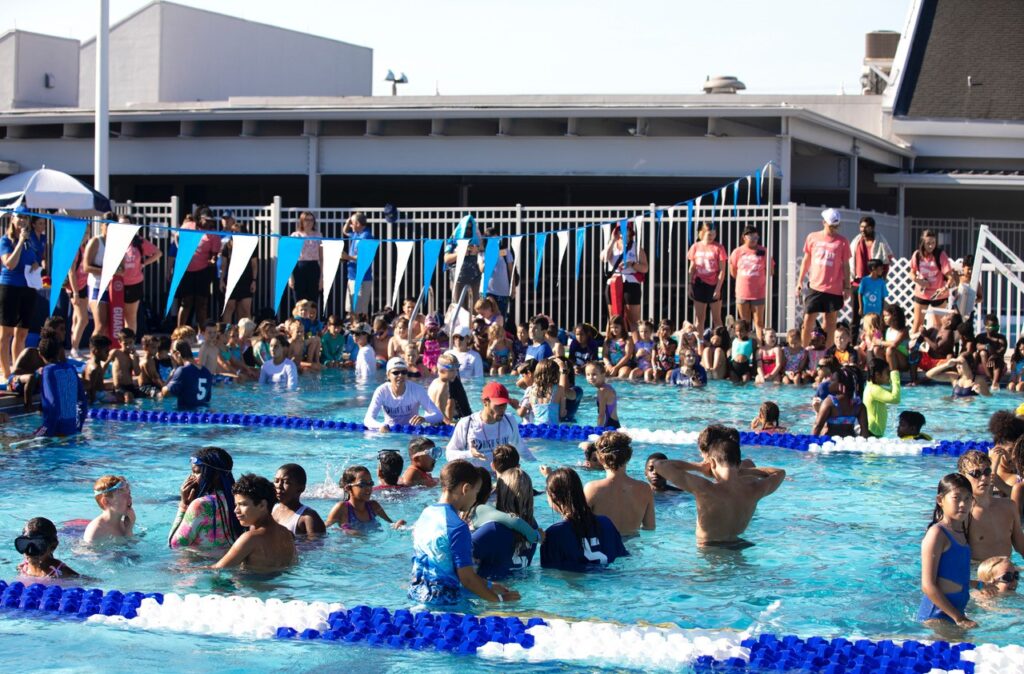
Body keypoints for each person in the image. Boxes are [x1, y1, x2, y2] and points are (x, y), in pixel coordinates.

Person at [409, 459, 520, 605]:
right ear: (466, 489)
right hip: (445, 603)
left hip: (417, 595)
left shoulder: (426, 514)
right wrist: (500, 600)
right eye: (476, 492)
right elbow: (467, 579)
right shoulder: (457, 526)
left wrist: (489, 585)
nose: (475, 498)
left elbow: (442, 568)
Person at [653, 431, 785, 547]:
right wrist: (743, 471)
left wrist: (699, 467)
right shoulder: (754, 490)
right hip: (739, 544)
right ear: (738, 463)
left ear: (712, 462)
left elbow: (659, 464)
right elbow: (780, 473)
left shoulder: (705, 489)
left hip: (710, 550)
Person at [540, 467, 628, 572]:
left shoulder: (553, 534)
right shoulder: (606, 523)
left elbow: (550, 574)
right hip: (611, 578)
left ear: (553, 497)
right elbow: (623, 557)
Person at [917, 473, 977, 628]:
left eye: (968, 498)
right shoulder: (937, 534)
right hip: (936, 617)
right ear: (940, 500)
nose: (963, 504)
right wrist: (960, 619)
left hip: (954, 614)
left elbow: (954, 578)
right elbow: (927, 585)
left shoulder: (961, 533)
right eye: (956, 498)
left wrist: (980, 585)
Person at [212, 474, 296, 571]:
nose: (236, 510)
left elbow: (216, 569)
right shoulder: (287, 534)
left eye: (243, 504)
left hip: (250, 581)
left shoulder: (250, 539)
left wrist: (195, 570)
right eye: (236, 505)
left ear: (262, 505)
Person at [796, 208, 852, 347]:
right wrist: (799, 281)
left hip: (834, 288)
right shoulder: (812, 237)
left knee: (830, 322)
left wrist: (847, 286)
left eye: (836, 226)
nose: (834, 229)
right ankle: (804, 351)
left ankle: (826, 351)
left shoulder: (843, 241)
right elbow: (806, 260)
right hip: (815, 286)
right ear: (823, 222)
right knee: (808, 320)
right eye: (831, 225)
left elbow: (846, 265)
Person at [471, 467, 541, 577]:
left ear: (500, 493)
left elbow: (459, 555)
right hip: (520, 585)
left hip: (491, 586)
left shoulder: (493, 529)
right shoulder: (533, 526)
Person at [581, 431, 654, 536]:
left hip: (603, 544)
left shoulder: (592, 488)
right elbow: (649, 527)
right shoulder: (645, 489)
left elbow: (579, 525)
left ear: (600, 458)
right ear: (628, 457)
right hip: (632, 545)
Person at [169, 447, 243, 550]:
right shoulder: (241, 499)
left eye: (196, 472)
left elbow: (174, 544)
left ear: (215, 475)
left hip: (199, 560)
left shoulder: (200, 505)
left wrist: (183, 506)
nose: (191, 477)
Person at [446, 381, 533, 467]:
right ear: (485, 402)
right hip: (478, 475)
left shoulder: (509, 420)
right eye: (498, 405)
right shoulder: (467, 424)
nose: (502, 409)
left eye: (504, 404)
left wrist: (534, 464)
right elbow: (449, 454)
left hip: (502, 473)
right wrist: (470, 454)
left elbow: (521, 448)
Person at [957, 451, 1024, 561]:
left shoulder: (1009, 507)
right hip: (978, 570)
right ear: (963, 477)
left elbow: (1021, 546)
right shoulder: (964, 514)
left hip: (1007, 569)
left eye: (987, 472)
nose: (983, 478)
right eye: (976, 474)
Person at [1, 208, 41, 378]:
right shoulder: (5, 241)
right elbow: (10, 264)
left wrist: (36, 265)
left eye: (26, 217)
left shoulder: (31, 240)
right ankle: (6, 372)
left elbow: (35, 259)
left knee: (22, 333)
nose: (22, 220)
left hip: (28, 288)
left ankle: (17, 370)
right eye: (19, 217)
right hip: (10, 287)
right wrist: (20, 242)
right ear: (12, 219)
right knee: (6, 334)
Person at [364, 357, 444, 431]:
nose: (400, 375)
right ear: (388, 375)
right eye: (396, 372)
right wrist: (381, 426)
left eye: (404, 372)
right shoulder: (382, 391)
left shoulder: (417, 390)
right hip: (390, 433)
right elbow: (368, 419)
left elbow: (439, 415)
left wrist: (424, 419)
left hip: (412, 432)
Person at [848, 217, 894, 339]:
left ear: (872, 228)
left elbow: (886, 261)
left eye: (866, 227)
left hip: (874, 284)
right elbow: (850, 261)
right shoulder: (856, 241)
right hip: (858, 283)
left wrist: (882, 279)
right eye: (861, 227)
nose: (863, 230)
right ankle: (853, 342)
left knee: (876, 315)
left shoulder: (880, 241)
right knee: (856, 316)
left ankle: (878, 340)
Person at [34, 333, 87, 437]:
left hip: (55, 430)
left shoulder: (48, 371)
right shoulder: (71, 368)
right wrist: (78, 428)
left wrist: (47, 431)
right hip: (72, 428)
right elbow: (83, 402)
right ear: (58, 351)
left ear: (39, 353)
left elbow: (53, 404)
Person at [602, 217, 649, 331]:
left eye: (625, 229)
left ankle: (635, 340)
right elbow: (604, 258)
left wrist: (632, 264)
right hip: (614, 282)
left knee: (633, 320)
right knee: (613, 318)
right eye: (620, 229)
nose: (622, 232)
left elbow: (645, 268)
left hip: (630, 282)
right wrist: (612, 240)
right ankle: (612, 341)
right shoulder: (612, 245)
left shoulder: (636, 248)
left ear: (630, 231)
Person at [325, 465, 405, 533]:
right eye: (362, 484)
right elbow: (322, 530)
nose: (368, 488)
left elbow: (391, 524)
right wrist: (344, 531)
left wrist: (398, 525)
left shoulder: (374, 506)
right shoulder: (342, 508)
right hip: (348, 545)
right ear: (348, 488)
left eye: (370, 483)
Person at [176, 212, 222, 329]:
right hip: (187, 271)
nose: (209, 223)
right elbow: (177, 236)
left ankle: (202, 332)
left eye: (211, 220)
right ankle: (179, 331)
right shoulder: (188, 226)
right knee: (186, 302)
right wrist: (180, 249)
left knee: (201, 303)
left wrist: (213, 260)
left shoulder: (213, 234)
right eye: (206, 220)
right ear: (200, 218)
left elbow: (214, 254)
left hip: (203, 271)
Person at [729, 225, 774, 341]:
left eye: (756, 237)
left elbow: (771, 270)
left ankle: (759, 345)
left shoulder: (764, 251)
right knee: (745, 323)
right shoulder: (737, 252)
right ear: (744, 237)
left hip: (758, 292)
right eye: (751, 237)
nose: (754, 240)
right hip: (742, 292)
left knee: (759, 322)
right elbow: (733, 271)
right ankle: (747, 346)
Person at [118, 217, 161, 335]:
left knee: (130, 316)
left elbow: (158, 253)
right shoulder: (114, 241)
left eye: (127, 224)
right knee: (116, 316)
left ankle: (129, 342)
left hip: (134, 283)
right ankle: (117, 341)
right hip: (116, 283)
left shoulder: (138, 241)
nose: (124, 227)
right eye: (121, 224)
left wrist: (143, 263)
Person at [910, 229, 955, 334]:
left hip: (938, 294)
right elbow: (911, 273)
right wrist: (919, 281)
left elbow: (950, 277)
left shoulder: (940, 255)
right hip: (922, 293)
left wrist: (945, 288)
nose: (931, 246)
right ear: (922, 243)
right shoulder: (917, 255)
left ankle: (936, 344)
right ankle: (914, 344)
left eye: (933, 243)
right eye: (928, 243)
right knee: (917, 324)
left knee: (938, 325)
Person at [687, 222, 728, 337]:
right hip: (699, 283)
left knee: (717, 318)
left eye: (714, 234)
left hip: (714, 284)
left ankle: (720, 342)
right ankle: (699, 342)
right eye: (709, 234)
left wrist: (718, 288)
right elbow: (692, 267)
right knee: (699, 318)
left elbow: (722, 270)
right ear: (702, 233)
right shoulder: (695, 247)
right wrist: (690, 285)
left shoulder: (719, 248)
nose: (712, 237)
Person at [218, 213, 258, 323]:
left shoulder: (250, 246)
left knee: (245, 309)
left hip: (246, 280)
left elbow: (254, 265)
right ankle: (227, 332)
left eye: (237, 232)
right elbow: (224, 265)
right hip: (231, 280)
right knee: (229, 308)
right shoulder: (227, 246)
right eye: (233, 232)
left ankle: (246, 332)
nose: (235, 234)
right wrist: (221, 280)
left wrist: (254, 281)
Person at [812, 367, 869, 438]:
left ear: (841, 386)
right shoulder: (858, 405)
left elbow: (817, 426)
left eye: (832, 381)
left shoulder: (829, 402)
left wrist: (811, 441)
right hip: (850, 440)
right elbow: (864, 432)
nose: (829, 383)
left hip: (831, 440)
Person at [272, 464, 326, 537]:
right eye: (276, 481)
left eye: (286, 482)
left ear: (301, 488)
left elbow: (316, 543)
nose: (279, 486)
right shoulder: (270, 509)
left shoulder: (308, 517)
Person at [161, 339, 213, 410]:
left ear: (177, 354)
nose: (172, 359)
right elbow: (207, 399)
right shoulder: (207, 372)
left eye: (172, 355)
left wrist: (171, 375)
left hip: (186, 415)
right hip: (202, 414)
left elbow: (165, 393)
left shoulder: (182, 370)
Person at [443, 219, 483, 310]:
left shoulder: (477, 239)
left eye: (470, 228)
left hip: (475, 280)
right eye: (466, 228)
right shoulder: (453, 240)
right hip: (458, 280)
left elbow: (483, 252)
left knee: (475, 309)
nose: (468, 231)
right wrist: (462, 253)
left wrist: (477, 249)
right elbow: (447, 259)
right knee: (459, 309)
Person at [83, 476, 136, 544]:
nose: (130, 498)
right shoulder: (96, 531)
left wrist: (129, 530)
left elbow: (132, 546)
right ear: (106, 501)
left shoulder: (125, 524)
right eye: (124, 496)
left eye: (129, 494)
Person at [518, 358, 570, 425]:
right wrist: (565, 411)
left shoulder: (530, 390)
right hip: (552, 429)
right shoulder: (559, 389)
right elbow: (562, 414)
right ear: (555, 373)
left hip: (537, 428)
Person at [479, 228, 515, 324]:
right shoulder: (482, 253)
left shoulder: (505, 252)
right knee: (486, 321)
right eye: (491, 239)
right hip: (487, 291)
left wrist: (513, 288)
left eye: (496, 238)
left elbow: (511, 271)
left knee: (500, 320)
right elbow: (482, 269)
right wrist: (491, 255)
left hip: (502, 292)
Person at [287, 211, 323, 305]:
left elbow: (321, 257)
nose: (309, 222)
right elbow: (290, 257)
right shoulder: (295, 235)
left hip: (313, 267)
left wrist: (321, 278)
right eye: (307, 220)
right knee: (299, 300)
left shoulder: (318, 235)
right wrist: (290, 277)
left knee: (313, 300)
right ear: (302, 221)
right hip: (299, 268)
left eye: (311, 220)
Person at [341, 212, 374, 315]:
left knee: (359, 310)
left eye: (352, 223)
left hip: (361, 278)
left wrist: (347, 257)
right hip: (353, 276)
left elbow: (364, 258)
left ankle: (360, 325)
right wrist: (348, 221)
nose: (350, 226)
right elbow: (345, 231)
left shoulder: (366, 237)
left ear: (358, 224)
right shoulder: (357, 234)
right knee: (350, 309)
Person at [863, 358, 901, 437]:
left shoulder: (871, 387)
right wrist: (895, 376)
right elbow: (895, 398)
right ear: (877, 375)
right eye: (887, 373)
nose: (889, 376)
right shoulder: (874, 389)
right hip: (872, 431)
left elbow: (892, 392)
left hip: (872, 429)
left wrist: (892, 379)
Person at [976, 314, 1008, 389]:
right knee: (983, 353)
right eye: (993, 326)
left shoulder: (1001, 338)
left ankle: (995, 383)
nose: (995, 328)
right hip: (983, 365)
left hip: (998, 366)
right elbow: (977, 346)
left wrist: (993, 356)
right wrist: (987, 347)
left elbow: (1002, 351)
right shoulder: (981, 337)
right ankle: (990, 378)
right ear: (986, 327)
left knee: (998, 359)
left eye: (996, 326)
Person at [584, 361, 620, 428]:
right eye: (588, 374)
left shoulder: (602, 391)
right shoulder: (607, 387)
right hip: (614, 425)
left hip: (610, 426)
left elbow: (602, 415)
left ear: (603, 374)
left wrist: (598, 429)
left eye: (594, 374)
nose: (590, 377)